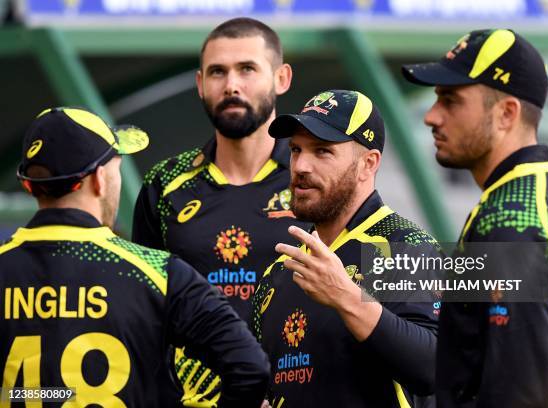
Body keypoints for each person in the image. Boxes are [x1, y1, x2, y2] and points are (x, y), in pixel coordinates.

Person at [0, 107, 269, 407]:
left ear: (30, 185)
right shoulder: (159, 272)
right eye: (117, 165)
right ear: (100, 178)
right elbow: (250, 367)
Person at [403, 29, 548, 407]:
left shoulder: (514, 222)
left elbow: (513, 393)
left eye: (450, 100)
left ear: (506, 114)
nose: (432, 116)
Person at [132, 17, 308, 406]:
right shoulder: (165, 183)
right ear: (200, 84)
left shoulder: (313, 176)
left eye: (247, 69)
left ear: (282, 78)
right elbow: (145, 312)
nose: (231, 85)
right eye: (217, 72)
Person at [253, 89, 439, 407]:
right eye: (296, 150)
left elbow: (437, 368)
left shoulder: (406, 247)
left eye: (322, 151)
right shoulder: (277, 272)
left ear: (369, 164)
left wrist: (347, 297)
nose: (300, 166)